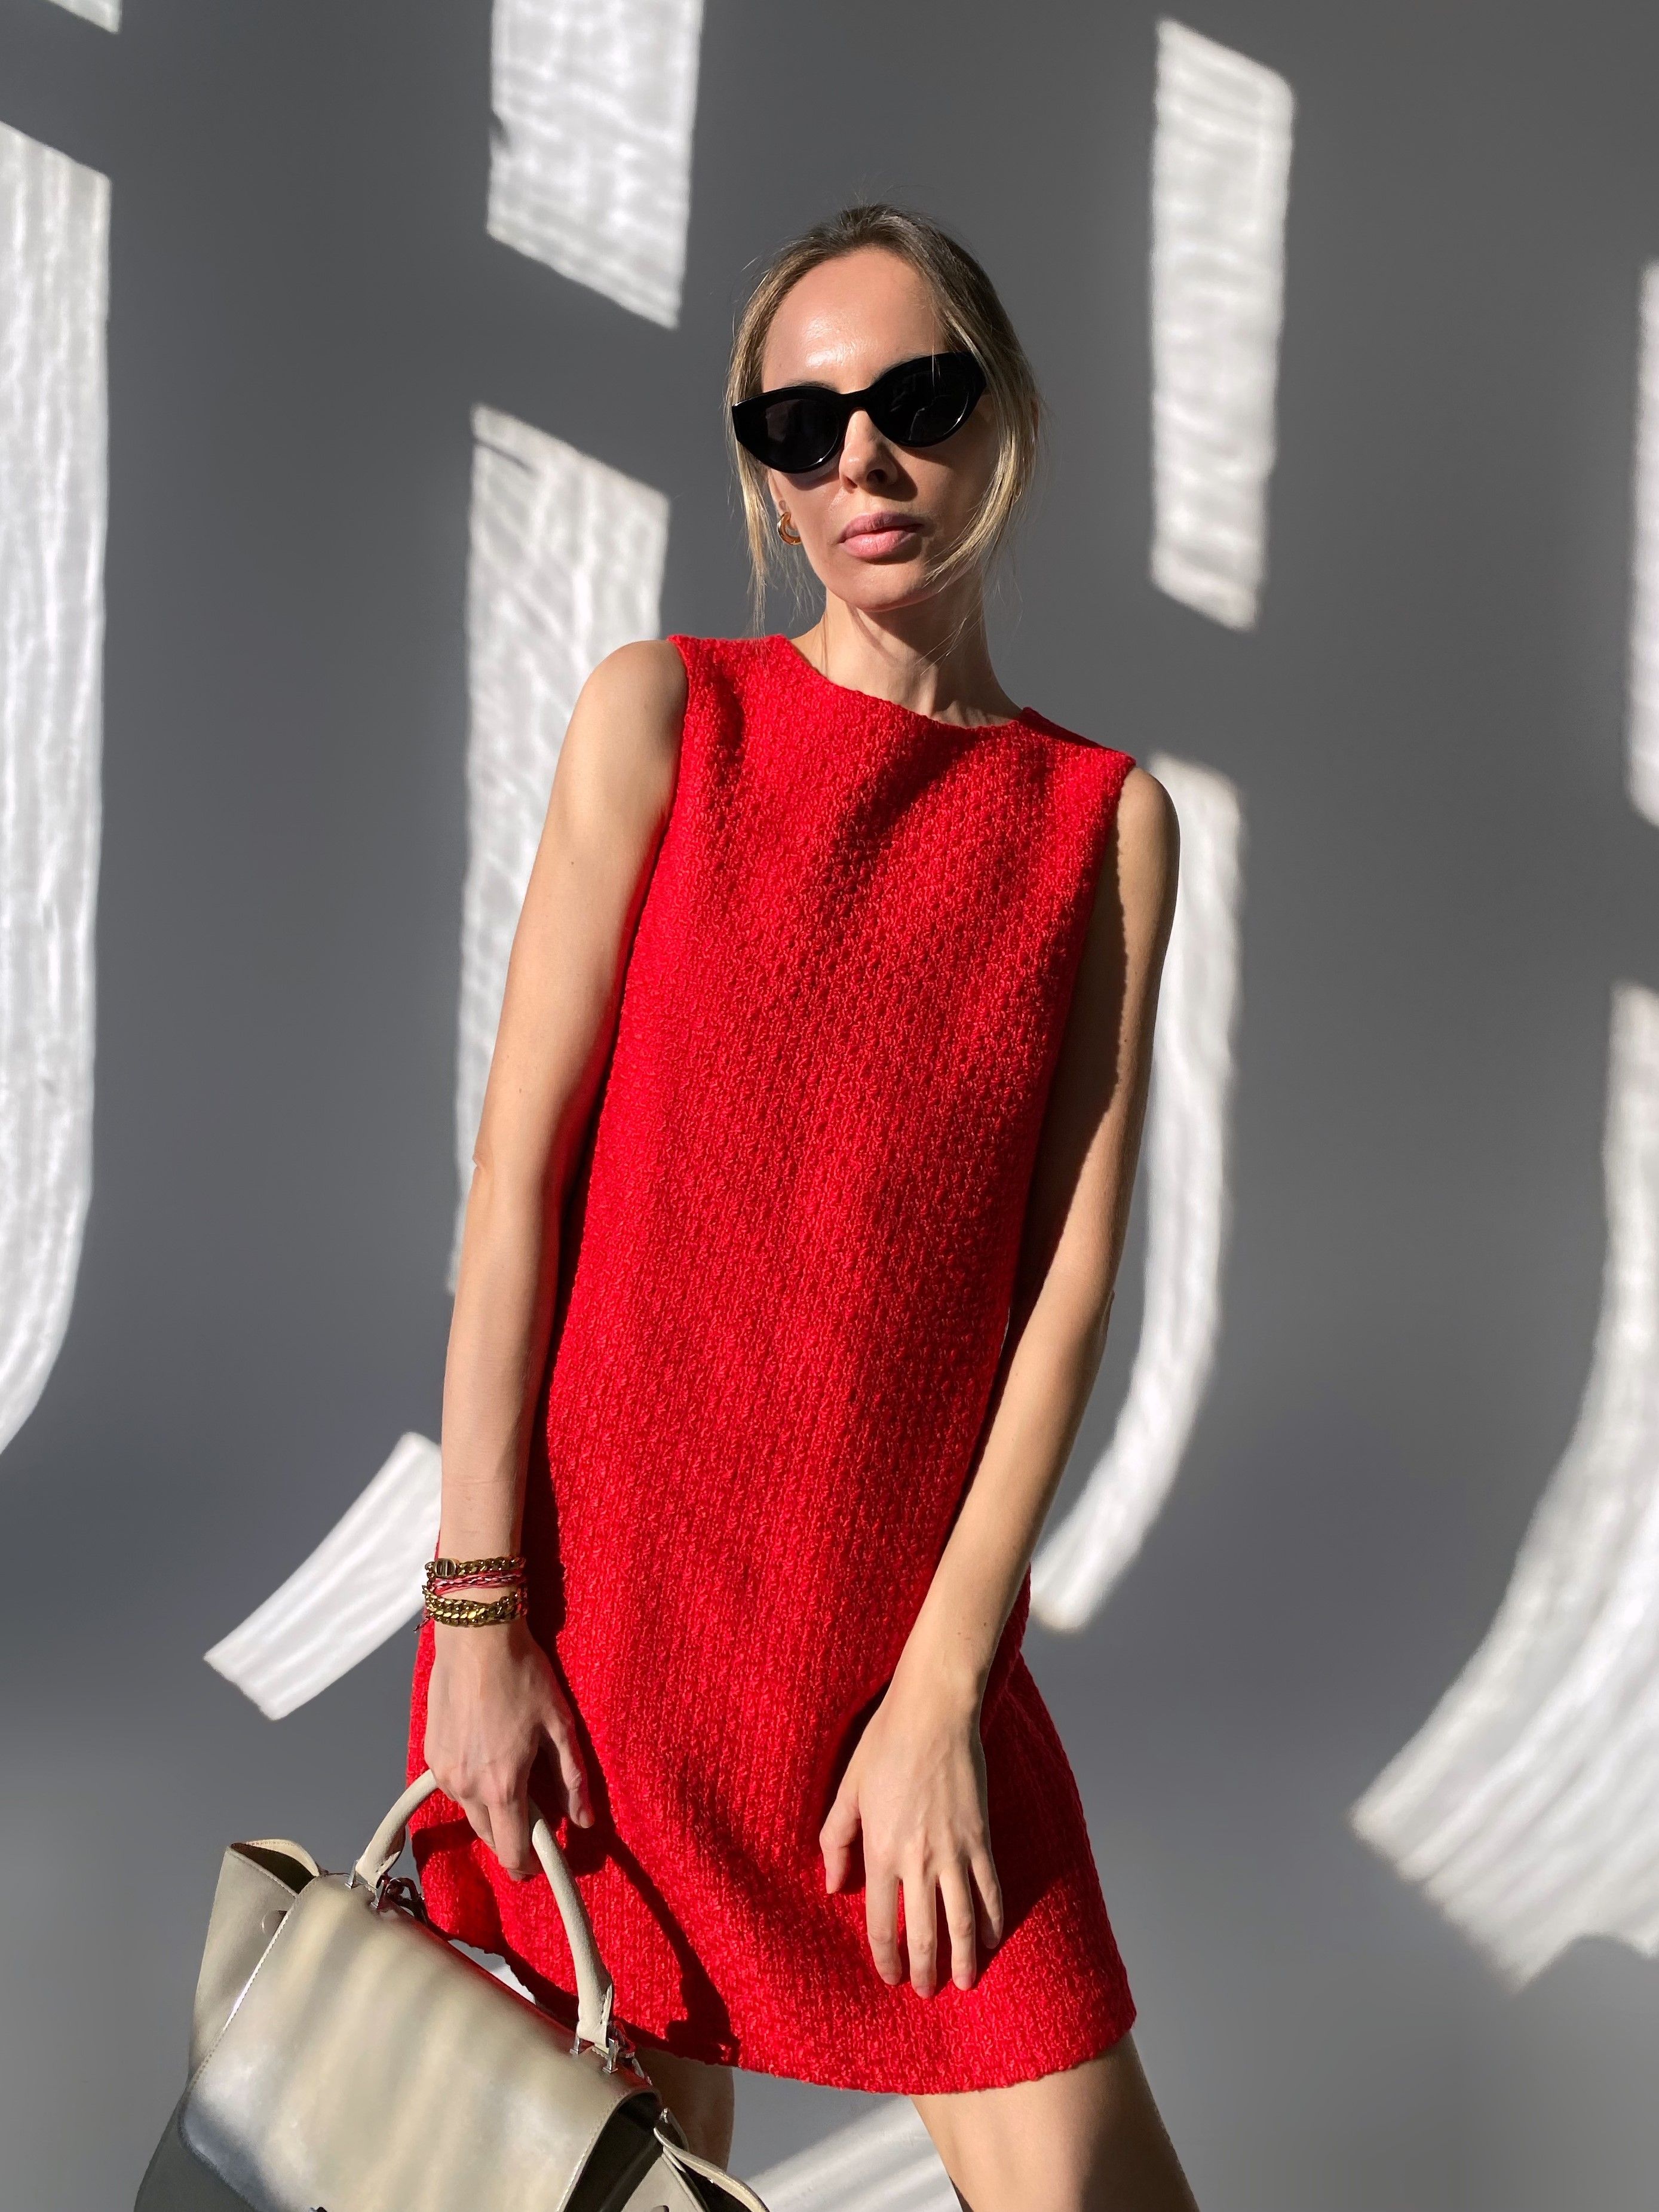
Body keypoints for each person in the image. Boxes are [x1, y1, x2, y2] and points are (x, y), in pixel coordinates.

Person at [407, 202, 1195, 2211]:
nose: (863, 459)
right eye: (800, 422)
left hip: (889, 1677)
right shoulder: (667, 717)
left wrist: (942, 1694)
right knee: (614, 2183)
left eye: (915, 398)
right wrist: (478, 1618)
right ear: (761, 468)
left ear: (1003, 416)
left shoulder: (1098, 821)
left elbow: (1064, 1286)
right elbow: (516, 1184)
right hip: (608, 1661)